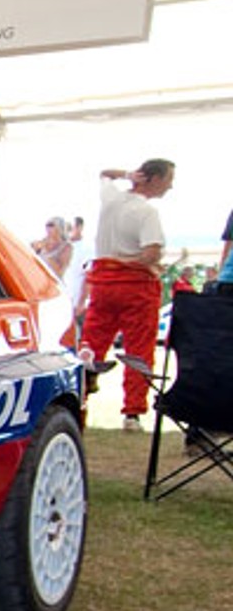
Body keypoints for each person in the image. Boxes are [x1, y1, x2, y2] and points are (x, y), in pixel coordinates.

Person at [82, 160, 174, 430]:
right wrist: (140, 262)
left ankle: (80, 396)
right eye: (168, 179)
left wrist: (126, 174)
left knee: (92, 342)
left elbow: (103, 173)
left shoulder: (111, 199)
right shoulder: (146, 212)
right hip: (136, 286)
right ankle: (132, 412)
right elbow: (151, 252)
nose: (170, 185)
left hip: (103, 282)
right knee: (139, 348)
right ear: (154, 179)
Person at [32, 217, 74, 281]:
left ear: (59, 228)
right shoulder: (42, 242)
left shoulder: (66, 247)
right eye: (47, 225)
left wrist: (43, 252)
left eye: (51, 225)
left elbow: (60, 272)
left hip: (51, 283)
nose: (48, 228)